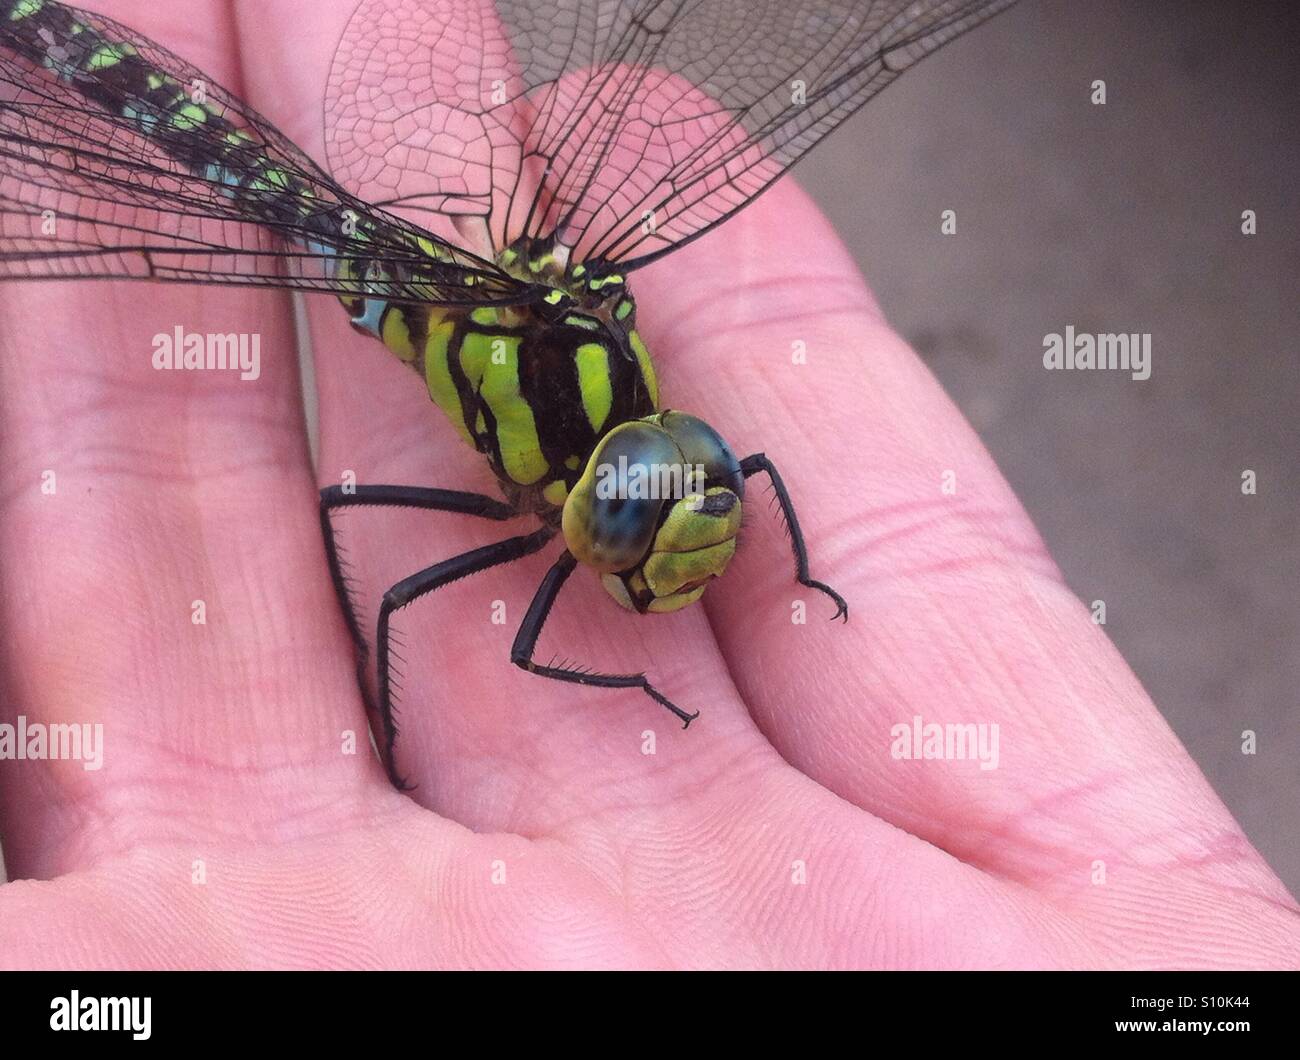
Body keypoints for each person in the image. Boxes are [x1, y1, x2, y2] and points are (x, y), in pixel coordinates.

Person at [0, 1, 1294, 969]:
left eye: (689, 493)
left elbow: (760, 466)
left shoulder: (661, 448)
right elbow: (408, 600)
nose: (686, 528)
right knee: (370, 542)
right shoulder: (552, 490)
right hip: (321, 220)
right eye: (644, 514)